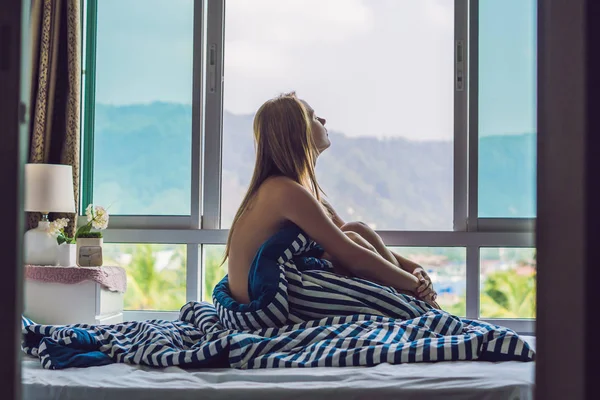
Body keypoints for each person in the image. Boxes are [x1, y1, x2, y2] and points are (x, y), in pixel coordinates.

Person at [222, 92, 439, 308]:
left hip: (269, 289)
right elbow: (352, 255)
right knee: (352, 239)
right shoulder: (283, 190)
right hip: (264, 302)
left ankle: (419, 302)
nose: (323, 120)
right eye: (314, 117)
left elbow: (353, 236)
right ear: (298, 132)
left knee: (356, 229)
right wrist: (413, 285)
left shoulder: (296, 190)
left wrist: (414, 269)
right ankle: (421, 304)